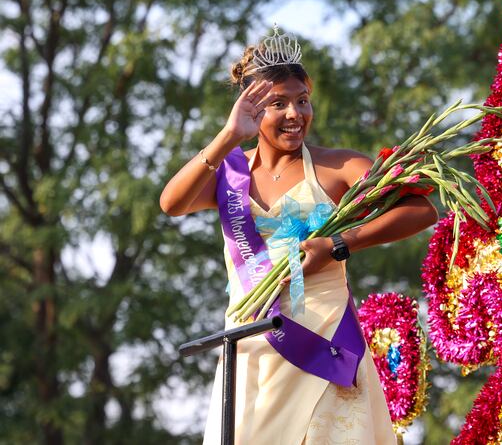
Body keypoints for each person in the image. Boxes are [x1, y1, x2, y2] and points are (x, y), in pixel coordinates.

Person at [159, 26, 438, 445]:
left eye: (302, 101)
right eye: (278, 103)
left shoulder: (339, 166)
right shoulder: (229, 175)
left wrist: (340, 245)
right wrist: (229, 136)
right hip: (252, 351)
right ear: (252, 110)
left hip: (325, 345)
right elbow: (171, 203)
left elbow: (420, 209)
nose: (295, 114)